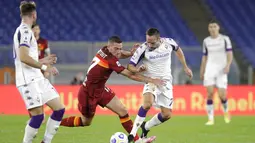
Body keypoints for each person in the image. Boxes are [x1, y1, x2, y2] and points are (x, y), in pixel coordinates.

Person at [60, 36, 163, 143]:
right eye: (116, 48)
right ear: (109, 47)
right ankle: (57, 122)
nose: (118, 51)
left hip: (101, 90)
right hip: (88, 94)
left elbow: (121, 54)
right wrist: (150, 79)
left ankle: (137, 140)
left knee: (123, 111)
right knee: (85, 122)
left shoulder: (105, 50)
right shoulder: (110, 60)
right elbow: (130, 75)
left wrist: (131, 53)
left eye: (120, 48)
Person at [127, 28, 193, 142]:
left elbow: (178, 50)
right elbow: (130, 66)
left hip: (166, 82)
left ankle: (146, 127)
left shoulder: (169, 42)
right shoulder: (143, 48)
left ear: (159, 39)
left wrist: (185, 66)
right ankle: (132, 134)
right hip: (151, 81)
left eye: (152, 42)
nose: (149, 44)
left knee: (167, 115)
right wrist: (138, 69)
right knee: (147, 104)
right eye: (147, 41)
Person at [13, 1, 65, 143]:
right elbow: (23, 58)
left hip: (37, 79)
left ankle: (46, 141)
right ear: (34, 15)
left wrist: (43, 61)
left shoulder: (27, 31)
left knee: (59, 109)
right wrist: (44, 67)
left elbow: (26, 57)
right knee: (37, 117)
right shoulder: (24, 31)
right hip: (27, 81)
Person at [200, 20, 232, 125]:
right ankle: (210, 119)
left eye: (214, 26)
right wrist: (202, 70)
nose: (212, 29)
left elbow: (229, 54)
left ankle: (226, 112)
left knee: (222, 95)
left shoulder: (225, 39)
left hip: (221, 70)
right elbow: (204, 57)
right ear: (208, 29)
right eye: (210, 27)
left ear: (218, 27)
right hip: (210, 69)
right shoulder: (206, 41)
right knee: (209, 93)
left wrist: (228, 65)